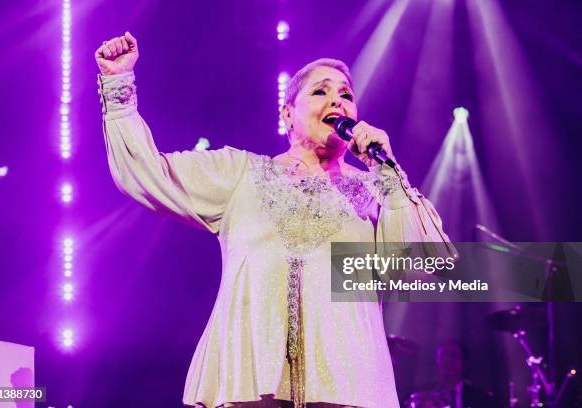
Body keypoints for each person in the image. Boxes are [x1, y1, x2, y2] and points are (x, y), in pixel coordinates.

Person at [95, 31, 454, 408]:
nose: (338, 100)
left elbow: (428, 265)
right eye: (321, 92)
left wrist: (390, 173)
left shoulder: (377, 190)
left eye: (346, 94)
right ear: (287, 114)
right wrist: (118, 87)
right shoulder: (241, 173)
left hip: (347, 392)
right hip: (249, 389)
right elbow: (146, 172)